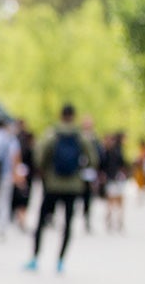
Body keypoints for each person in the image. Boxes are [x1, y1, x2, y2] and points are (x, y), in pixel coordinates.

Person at [24, 103, 98, 273]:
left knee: (41, 222)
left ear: (61, 115)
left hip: (52, 185)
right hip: (73, 186)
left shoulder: (52, 134)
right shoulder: (81, 136)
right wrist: (80, 170)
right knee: (68, 223)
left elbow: (39, 156)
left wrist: (46, 171)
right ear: (74, 116)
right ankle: (60, 261)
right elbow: (93, 159)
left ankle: (35, 257)